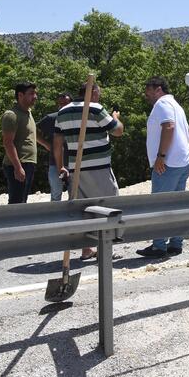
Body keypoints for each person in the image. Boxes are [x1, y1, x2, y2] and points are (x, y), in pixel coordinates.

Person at [54, 82, 123, 260]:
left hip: (75, 168)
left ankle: (86, 249)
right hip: (98, 167)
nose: (99, 96)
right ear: (92, 93)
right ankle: (105, 249)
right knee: (108, 205)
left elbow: (57, 143)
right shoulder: (95, 108)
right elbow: (117, 131)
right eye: (98, 93)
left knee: (83, 209)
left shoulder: (62, 112)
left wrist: (61, 165)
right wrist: (116, 118)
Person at [136, 76, 189, 258]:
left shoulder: (161, 104)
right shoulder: (176, 105)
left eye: (149, 91)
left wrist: (161, 156)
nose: (147, 95)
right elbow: (188, 132)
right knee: (177, 205)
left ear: (158, 89)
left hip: (169, 163)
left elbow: (168, 127)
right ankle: (176, 243)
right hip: (183, 161)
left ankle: (159, 246)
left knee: (159, 205)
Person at [1, 82, 38, 204]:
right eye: (31, 93)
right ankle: (11, 223)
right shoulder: (11, 115)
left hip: (29, 163)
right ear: (20, 95)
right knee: (16, 202)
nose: (35, 96)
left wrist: (48, 145)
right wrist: (17, 167)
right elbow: (8, 143)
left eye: (35, 93)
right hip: (18, 164)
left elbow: (31, 134)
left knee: (23, 200)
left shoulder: (28, 113)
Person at [36, 93, 73, 201]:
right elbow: (33, 131)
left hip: (74, 163)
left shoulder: (78, 118)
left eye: (65, 103)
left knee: (75, 193)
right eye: (60, 104)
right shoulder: (51, 118)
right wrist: (46, 144)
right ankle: (56, 217)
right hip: (55, 164)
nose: (62, 106)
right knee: (56, 194)